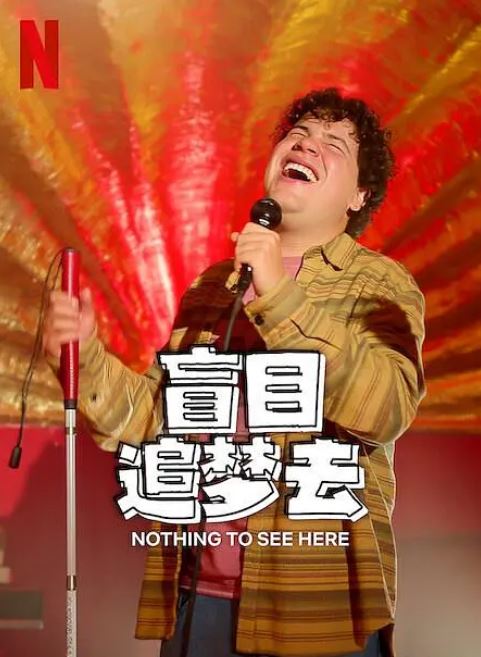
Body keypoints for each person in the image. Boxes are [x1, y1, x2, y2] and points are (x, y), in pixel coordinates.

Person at [43, 88, 426, 657]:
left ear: (358, 196)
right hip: (199, 595)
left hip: (313, 604)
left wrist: (279, 293)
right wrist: (84, 355)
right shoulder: (213, 285)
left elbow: (386, 407)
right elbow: (154, 418)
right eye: (298, 135)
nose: (307, 145)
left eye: (333, 144)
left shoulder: (378, 283)